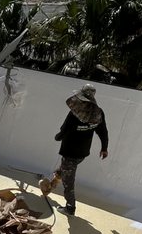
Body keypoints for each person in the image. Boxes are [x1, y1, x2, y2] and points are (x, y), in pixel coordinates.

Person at [39, 85, 108, 216]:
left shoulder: (74, 112)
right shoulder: (98, 113)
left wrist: (57, 137)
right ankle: (51, 186)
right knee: (65, 169)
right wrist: (104, 148)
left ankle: (70, 207)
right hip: (82, 153)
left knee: (68, 182)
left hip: (70, 151)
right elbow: (103, 131)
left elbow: (64, 130)